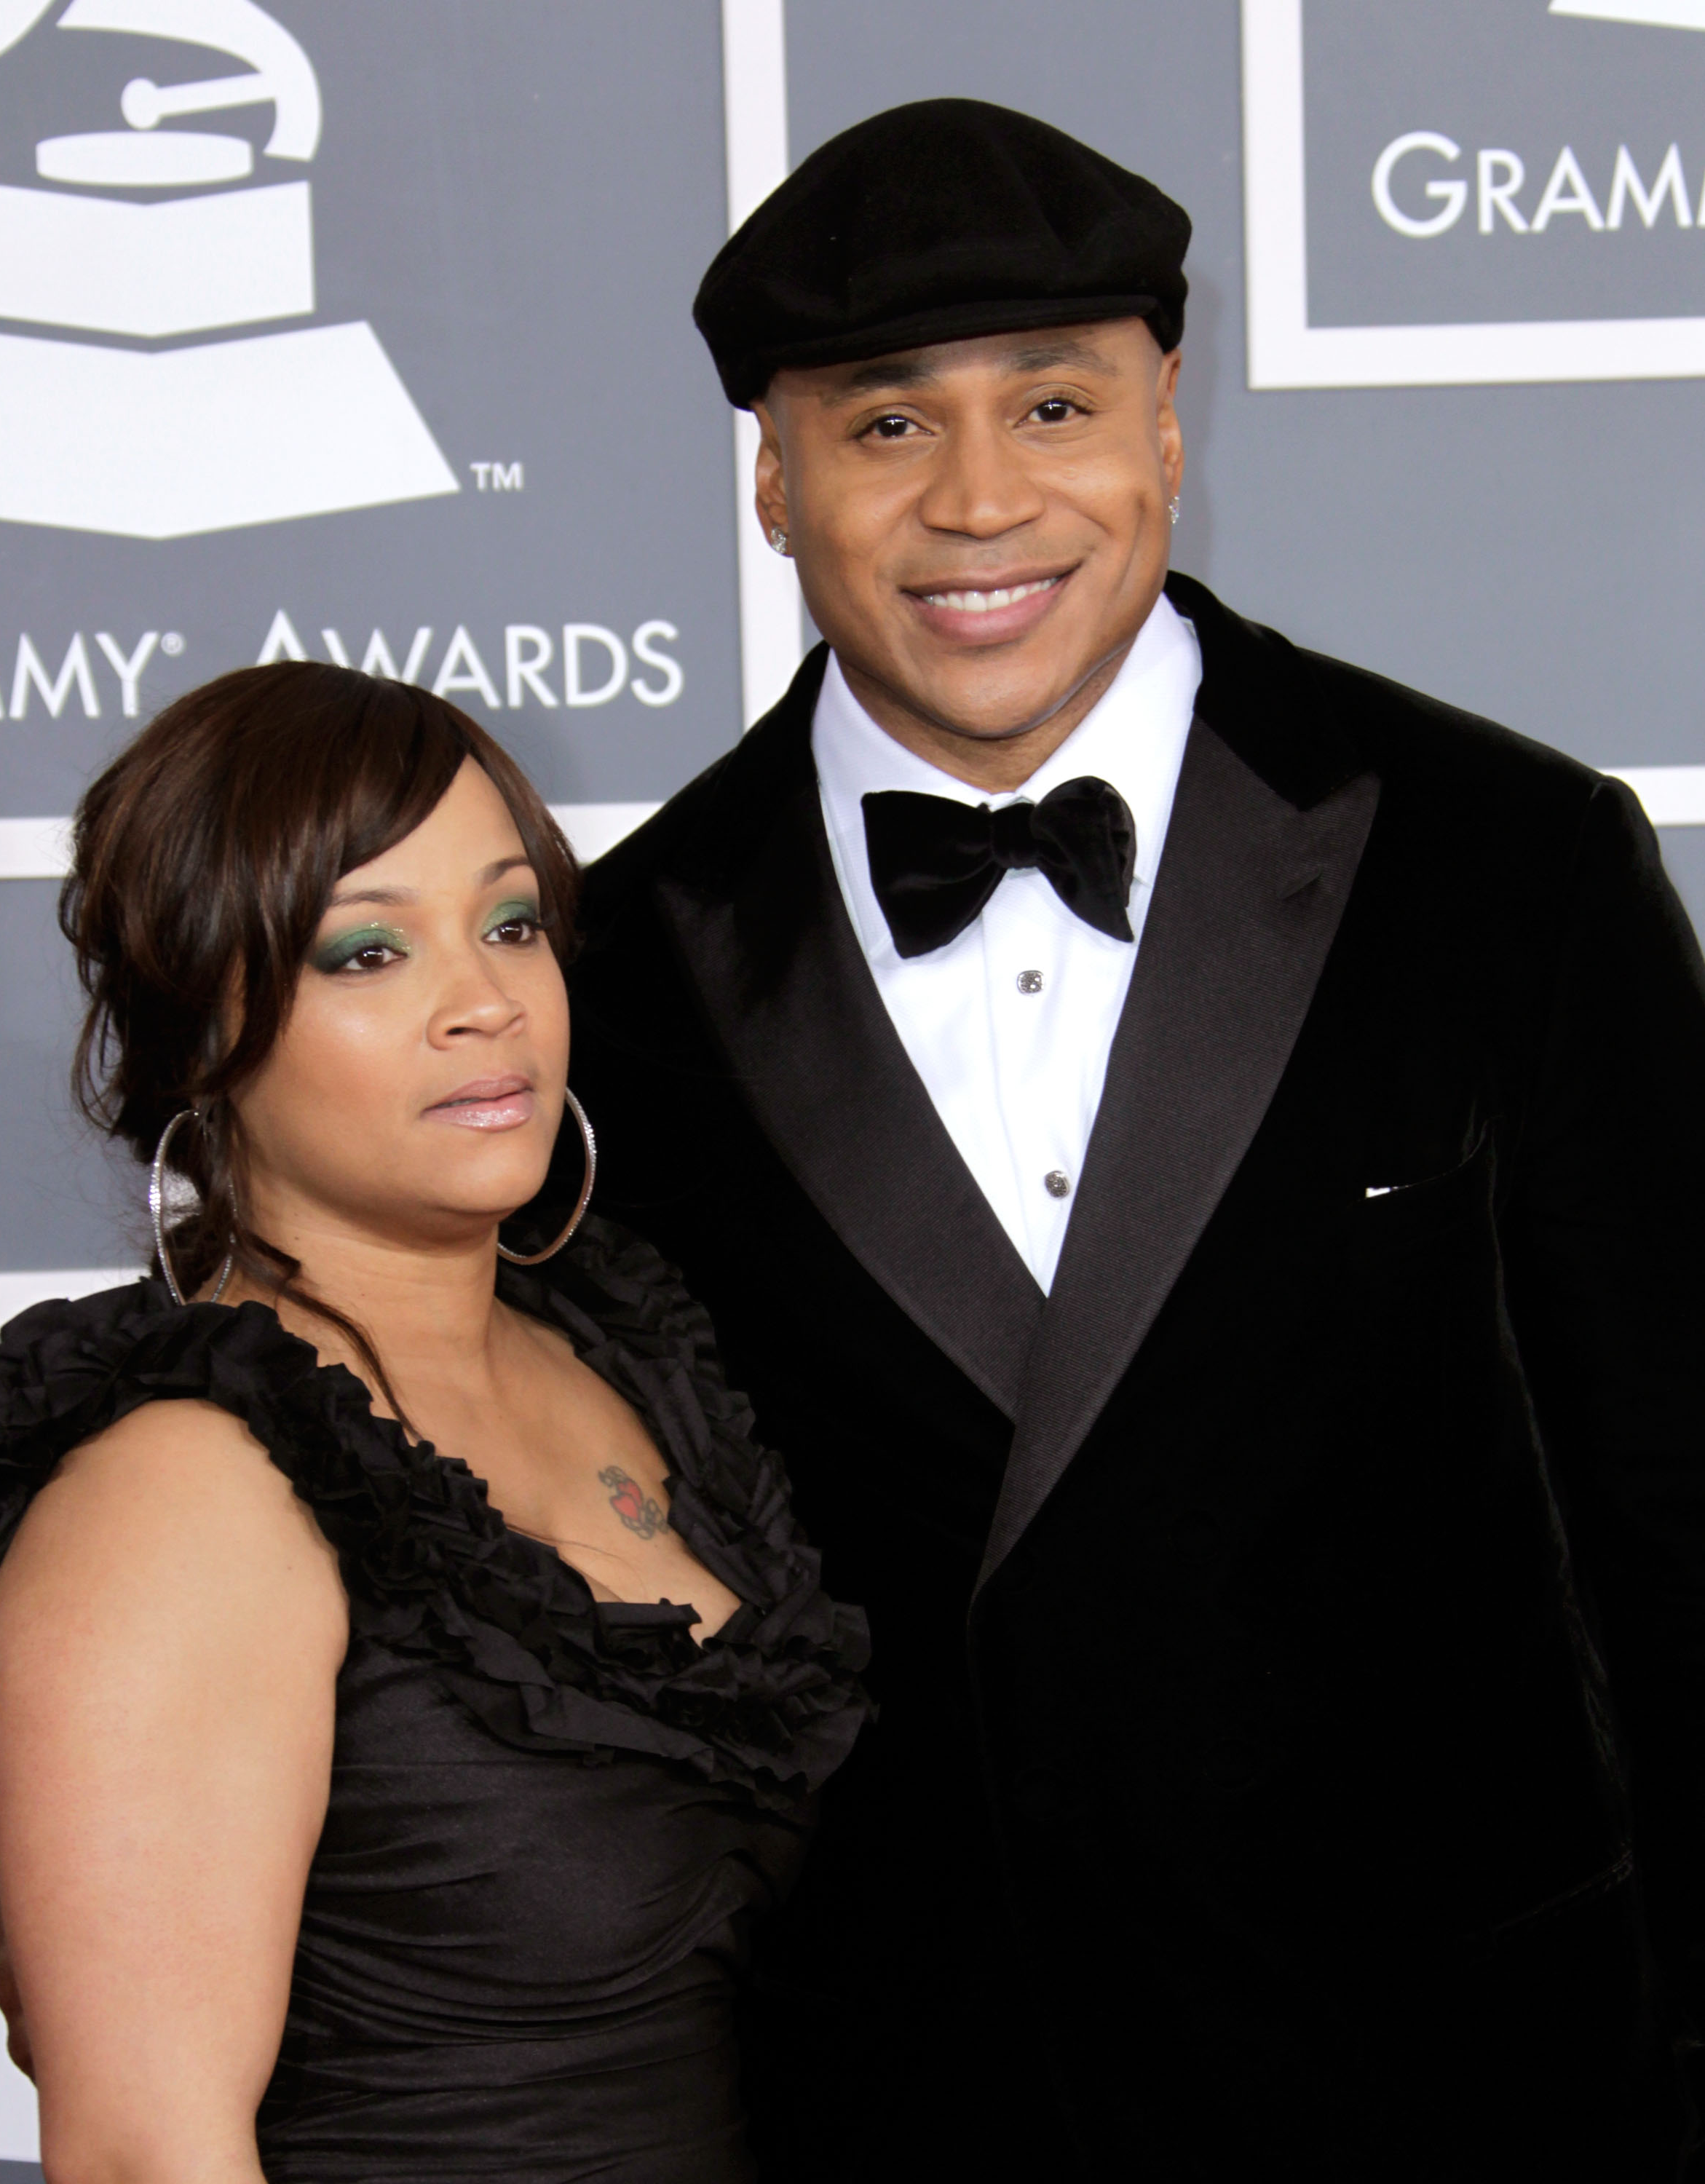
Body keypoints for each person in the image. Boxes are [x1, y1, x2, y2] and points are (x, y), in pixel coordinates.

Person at [560, 99, 1705, 2179]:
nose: (980, 502)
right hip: (910, 2119)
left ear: (1165, 427)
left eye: (1055, 404)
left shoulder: (1508, 866)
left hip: (1484, 2101)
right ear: (770, 478)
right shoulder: (611, 977)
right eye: (885, 427)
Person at [0, 663, 869, 2183]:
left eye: (512, 923)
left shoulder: (633, 1353)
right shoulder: (179, 1499)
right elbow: (143, 2156)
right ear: (203, 1031)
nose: (486, 1002)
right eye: (367, 952)